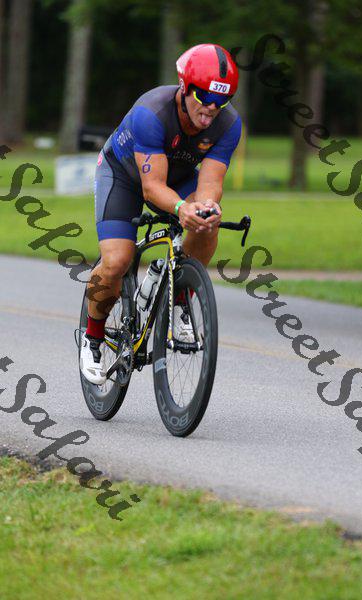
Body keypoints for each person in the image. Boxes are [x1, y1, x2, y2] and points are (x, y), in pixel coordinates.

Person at [80, 43, 242, 384]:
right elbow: (152, 188)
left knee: (206, 221)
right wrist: (182, 208)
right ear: (184, 87)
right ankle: (92, 337)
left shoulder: (228, 124)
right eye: (204, 96)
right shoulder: (151, 113)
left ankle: (180, 293)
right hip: (123, 175)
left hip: (179, 178)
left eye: (222, 100)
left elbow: (211, 182)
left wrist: (204, 207)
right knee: (117, 261)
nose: (212, 108)